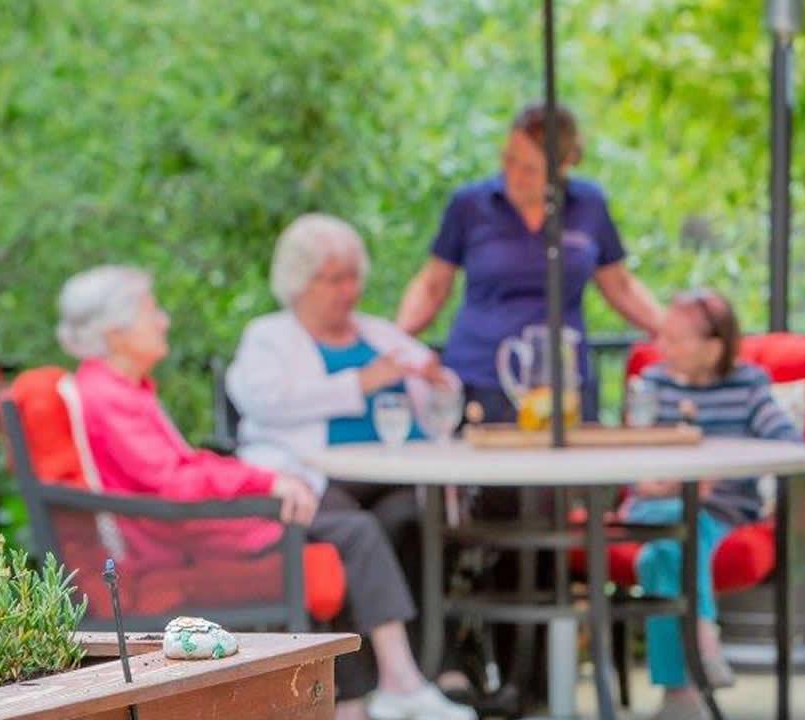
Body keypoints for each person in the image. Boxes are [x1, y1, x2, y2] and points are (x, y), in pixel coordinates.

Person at [59, 265, 475, 720]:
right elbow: (170, 483)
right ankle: (399, 684)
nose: (163, 320)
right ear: (116, 332)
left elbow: (181, 468)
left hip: (182, 528)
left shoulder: (122, 388)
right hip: (179, 541)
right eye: (150, 311)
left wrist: (259, 479)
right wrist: (264, 482)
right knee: (351, 531)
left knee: (342, 531)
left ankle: (360, 700)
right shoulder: (108, 395)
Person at [395, 102, 663, 422]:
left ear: (564, 165)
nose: (515, 176)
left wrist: (672, 332)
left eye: (530, 169)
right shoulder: (470, 205)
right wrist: (395, 338)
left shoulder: (589, 205)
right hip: (480, 376)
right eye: (509, 160)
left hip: (565, 381)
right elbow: (432, 285)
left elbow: (620, 286)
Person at [227, 214, 458, 566]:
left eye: (354, 278)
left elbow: (444, 397)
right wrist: (359, 384)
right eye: (336, 280)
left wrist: (437, 381)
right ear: (299, 283)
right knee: (356, 530)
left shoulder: (378, 333)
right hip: (318, 475)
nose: (349, 290)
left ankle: (420, 622)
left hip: (399, 473)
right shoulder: (268, 338)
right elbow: (264, 402)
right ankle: (369, 620)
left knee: (412, 522)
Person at [625, 289, 802, 720]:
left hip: (720, 512)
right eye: (661, 338)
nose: (661, 349)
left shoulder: (748, 386)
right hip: (654, 506)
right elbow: (631, 455)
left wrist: (718, 472)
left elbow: (789, 445)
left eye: (675, 340)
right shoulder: (652, 385)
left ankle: (678, 695)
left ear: (714, 347)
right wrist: (656, 484)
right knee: (673, 521)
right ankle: (702, 637)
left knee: (660, 556)